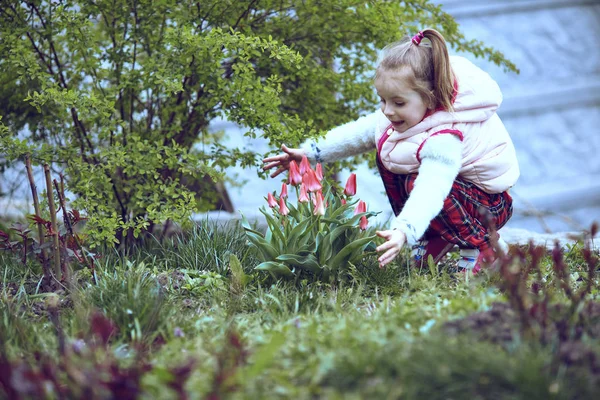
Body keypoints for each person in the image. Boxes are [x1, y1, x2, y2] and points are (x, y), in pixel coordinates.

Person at [262, 29, 519, 273]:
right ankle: (436, 238)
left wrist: (403, 230)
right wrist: (307, 154)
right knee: (388, 154)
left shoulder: (445, 137)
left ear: (429, 99)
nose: (387, 110)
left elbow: (432, 188)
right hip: (462, 198)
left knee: (418, 179)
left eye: (398, 102)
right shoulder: (405, 114)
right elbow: (357, 134)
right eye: (382, 100)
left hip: (488, 206)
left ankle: (484, 247)